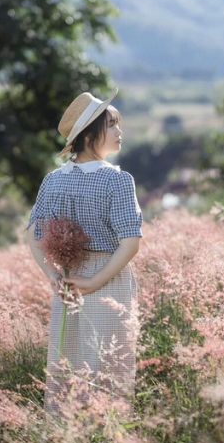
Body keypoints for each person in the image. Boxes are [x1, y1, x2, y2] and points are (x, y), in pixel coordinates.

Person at [24, 88, 143, 418]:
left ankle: (67, 437)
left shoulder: (53, 180)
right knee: (109, 366)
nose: (120, 132)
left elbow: (33, 238)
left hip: (66, 282)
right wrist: (94, 282)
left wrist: (54, 279)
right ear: (91, 133)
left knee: (69, 363)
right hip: (108, 279)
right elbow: (131, 242)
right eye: (113, 125)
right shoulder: (117, 180)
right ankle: (106, 441)